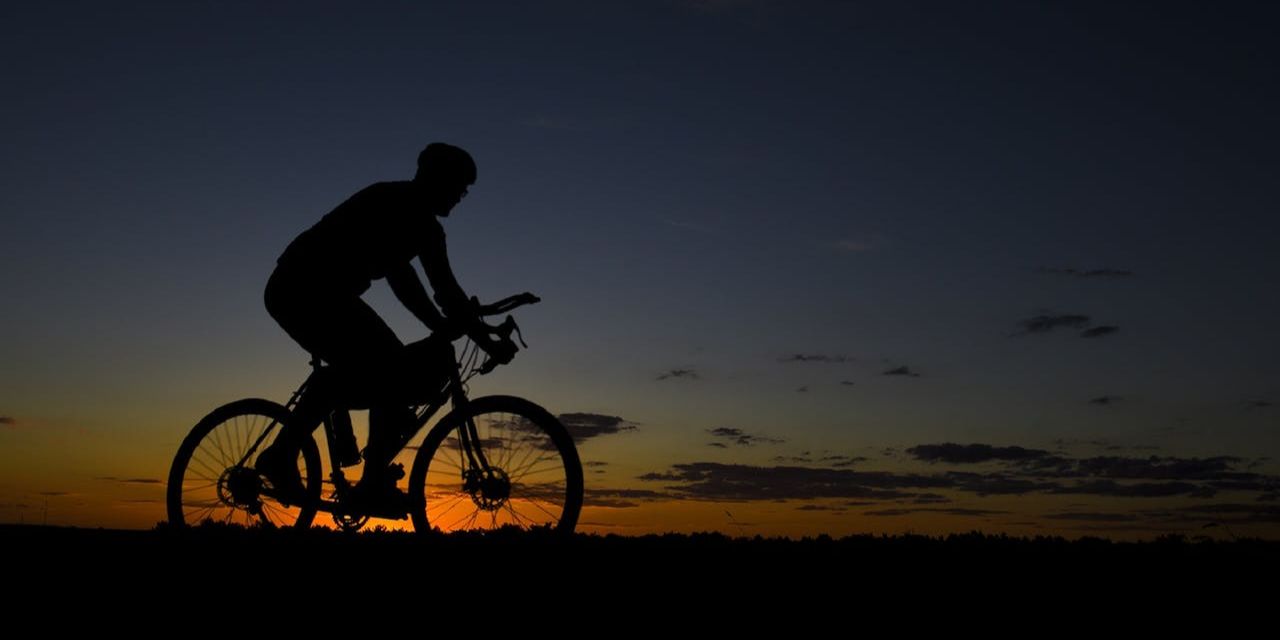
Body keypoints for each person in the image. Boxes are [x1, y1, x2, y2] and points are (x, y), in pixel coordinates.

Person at [255, 142, 514, 511]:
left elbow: (447, 291)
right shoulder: (393, 202)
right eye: (459, 186)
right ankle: (299, 462)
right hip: (300, 288)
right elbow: (403, 278)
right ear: (436, 178)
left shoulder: (428, 229)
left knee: (383, 371)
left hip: (329, 295)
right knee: (390, 366)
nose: (461, 196)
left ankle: (352, 468)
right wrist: (451, 328)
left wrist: (479, 334)